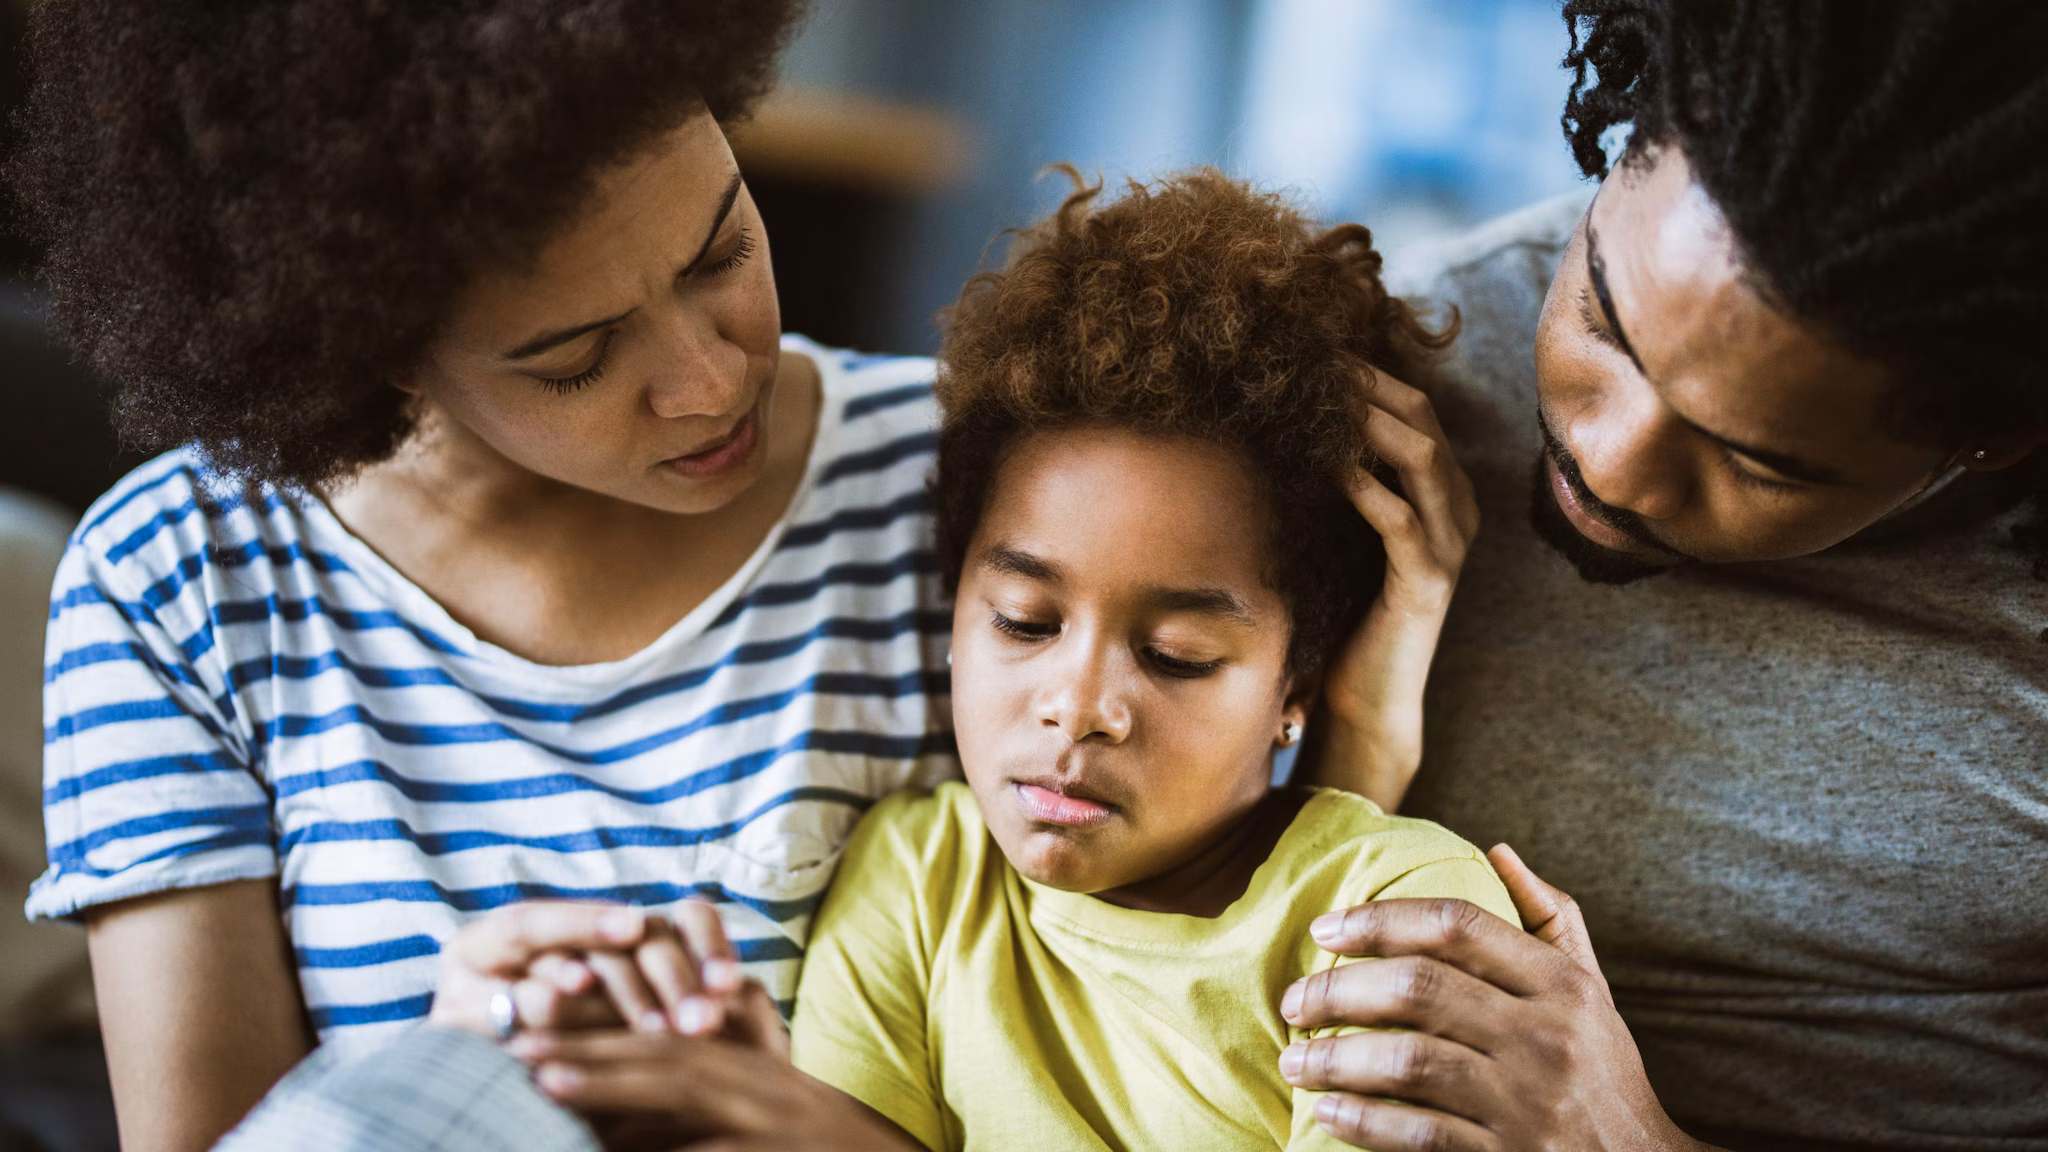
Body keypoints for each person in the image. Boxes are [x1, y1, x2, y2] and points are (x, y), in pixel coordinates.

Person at [8, 4, 1478, 1150]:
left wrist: (1355, 740)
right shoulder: (175, 586)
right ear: (360, 350)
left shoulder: (967, 490)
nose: (713, 380)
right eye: (575, 358)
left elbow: (1146, 980)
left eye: (721, 251)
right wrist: (460, 1055)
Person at [1269, 2, 2048, 1150]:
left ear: (1991, 436)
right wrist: (1345, 760)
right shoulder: (1393, 363)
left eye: (1756, 460)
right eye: (1602, 320)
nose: (1607, 460)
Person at [783, 169, 1511, 1150]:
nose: (1078, 706)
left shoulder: (1395, 915)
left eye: (1175, 656)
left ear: (1294, 680)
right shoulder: (917, 879)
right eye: (1024, 621)